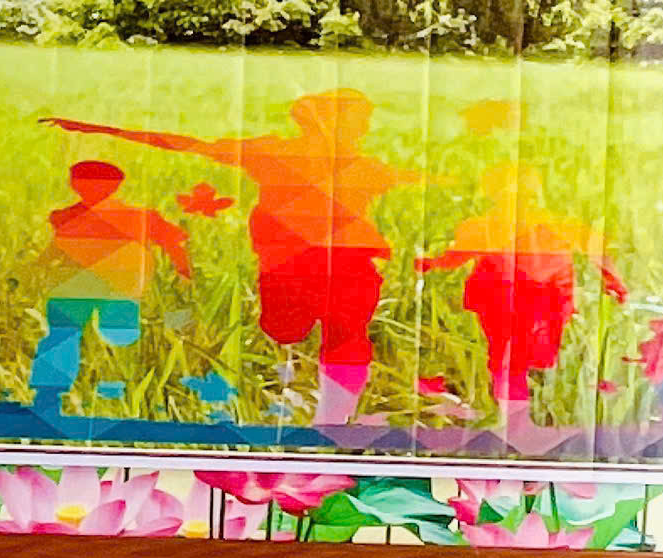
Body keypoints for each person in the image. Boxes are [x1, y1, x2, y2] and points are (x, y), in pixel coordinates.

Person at [47, 89, 415, 425]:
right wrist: (101, 130)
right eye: (358, 121)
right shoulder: (271, 153)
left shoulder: (365, 167)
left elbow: (424, 179)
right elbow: (190, 145)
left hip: (351, 263)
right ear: (323, 122)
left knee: (347, 336)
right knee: (283, 330)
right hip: (287, 265)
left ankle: (332, 420)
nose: (364, 129)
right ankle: (302, 389)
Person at [417, 160, 626, 445]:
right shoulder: (491, 227)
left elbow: (594, 248)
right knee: (510, 361)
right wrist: (432, 263)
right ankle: (517, 419)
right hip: (508, 300)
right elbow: (457, 255)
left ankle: (521, 418)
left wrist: (612, 278)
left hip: (540, 300)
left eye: (522, 195)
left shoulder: (541, 225)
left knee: (525, 361)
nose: (516, 202)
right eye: (508, 195)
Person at [29, 159, 192, 416]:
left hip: (90, 289)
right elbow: (173, 243)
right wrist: (183, 272)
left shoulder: (132, 217)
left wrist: (183, 272)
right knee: (101, 338)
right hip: (95, 289)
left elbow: (53, 252)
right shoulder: (132, 217)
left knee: (74, 338)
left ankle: (61, 396)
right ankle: (113, 396)